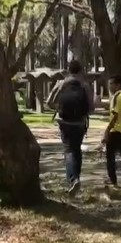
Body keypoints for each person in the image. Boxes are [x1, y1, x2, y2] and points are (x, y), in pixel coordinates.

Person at [46, 60, 94, 196]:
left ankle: (73, 179)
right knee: (76, 149)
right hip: (79, 123)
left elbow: (49, 102)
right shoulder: (85, 85)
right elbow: (91, 108)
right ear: (80, 71)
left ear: (69, 70)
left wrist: (60, 108)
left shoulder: (61, 84)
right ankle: (76, 178)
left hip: (64, 122)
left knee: (68, 151)